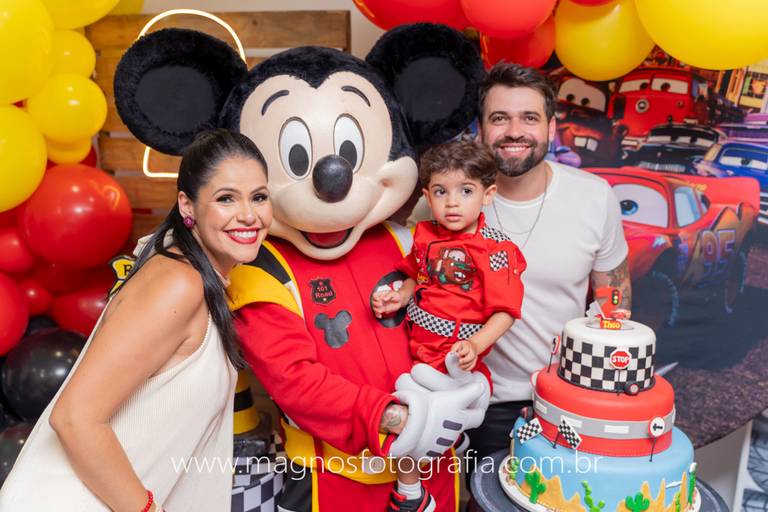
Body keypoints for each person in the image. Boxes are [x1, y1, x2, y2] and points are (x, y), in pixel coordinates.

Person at [0, 129, 273, 511]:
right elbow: (75, 418)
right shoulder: (178, 283)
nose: (249, 214)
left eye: (259, 197)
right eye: (226, 198)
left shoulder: (197, 274)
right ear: (187, 206)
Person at [467, 62, 632, 502]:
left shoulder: (593, 197)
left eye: (529, 118)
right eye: (499, 118)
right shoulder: (450, 199)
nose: (514, 131)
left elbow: (615, 299)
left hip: (568, 402)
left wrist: (605, 385)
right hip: (478, 402)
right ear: (480, 130)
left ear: (551, 127)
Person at [372, 140, 526, 512]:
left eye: (466, 191)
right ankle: (440, 454)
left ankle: (410, 493)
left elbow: (505, 313)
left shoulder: (496, 249)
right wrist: (400, 296)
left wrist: (475, 346)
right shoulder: (425, 234)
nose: (452, 203)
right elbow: (417, 276)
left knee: (417, 424)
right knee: (402, 417)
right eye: (441, 192)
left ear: (488, 195)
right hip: (414, 351)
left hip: (455, 360)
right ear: (427, 196)